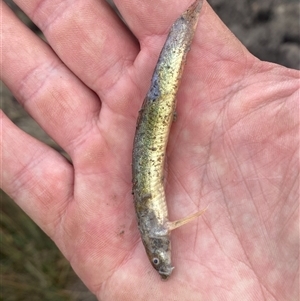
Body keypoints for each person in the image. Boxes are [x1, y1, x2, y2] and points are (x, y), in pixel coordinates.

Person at [1, 1, 299, 300]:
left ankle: (185, 24)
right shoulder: (160, 229)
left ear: (153, 240)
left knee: (163, 88)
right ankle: (186, 23)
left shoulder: (155, 227)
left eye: (158, 260)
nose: (164, 261)